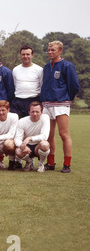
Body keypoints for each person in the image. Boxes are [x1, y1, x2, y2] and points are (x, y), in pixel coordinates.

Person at [41, 41, 80, 173]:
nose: (50, 52)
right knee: (49, 135)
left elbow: (74, 85)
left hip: (61, 104)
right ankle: (50, 163)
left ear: (60, 51)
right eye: (49, 50)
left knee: (64, 134)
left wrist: (67, 98)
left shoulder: (67, 66)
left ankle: (67, 165)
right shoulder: (46, 67)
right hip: (47, 105)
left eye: (53, 50)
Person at [14, 102, 50, 173]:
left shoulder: (45, 118)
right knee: (18, 151)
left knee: (45, 144)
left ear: (41, 112)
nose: (35, 114)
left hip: (38, 146)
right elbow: (17, 138)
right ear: (29, 112)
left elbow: (44, 136)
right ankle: (29, 162)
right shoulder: (22, 121)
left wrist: (29, 138)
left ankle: (41, 164)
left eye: (37, 112)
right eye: (32, 111)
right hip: (27, 146)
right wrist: (23, 146)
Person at [11, 45, 44, 119]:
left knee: (32, 125)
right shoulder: (15, 69)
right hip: (18, 101)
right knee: (17, 125)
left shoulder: (39, 69)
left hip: (33, 100)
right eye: (23, 54)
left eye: (28, 54)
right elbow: (15, 85)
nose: (25, 56)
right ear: (20, 56)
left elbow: (42, 86)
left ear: (32, 55)